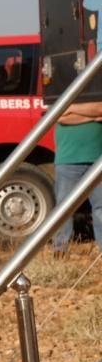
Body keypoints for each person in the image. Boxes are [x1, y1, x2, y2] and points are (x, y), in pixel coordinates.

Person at [52, 100, 102, 256]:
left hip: (98, 160)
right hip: (68, 159)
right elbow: (59, 116)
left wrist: (71, 110)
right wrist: (93, 117)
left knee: (101, 208)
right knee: (64, 208)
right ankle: (60, 250)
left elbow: (100, 107)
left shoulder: (96, 89)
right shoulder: (62, 90)